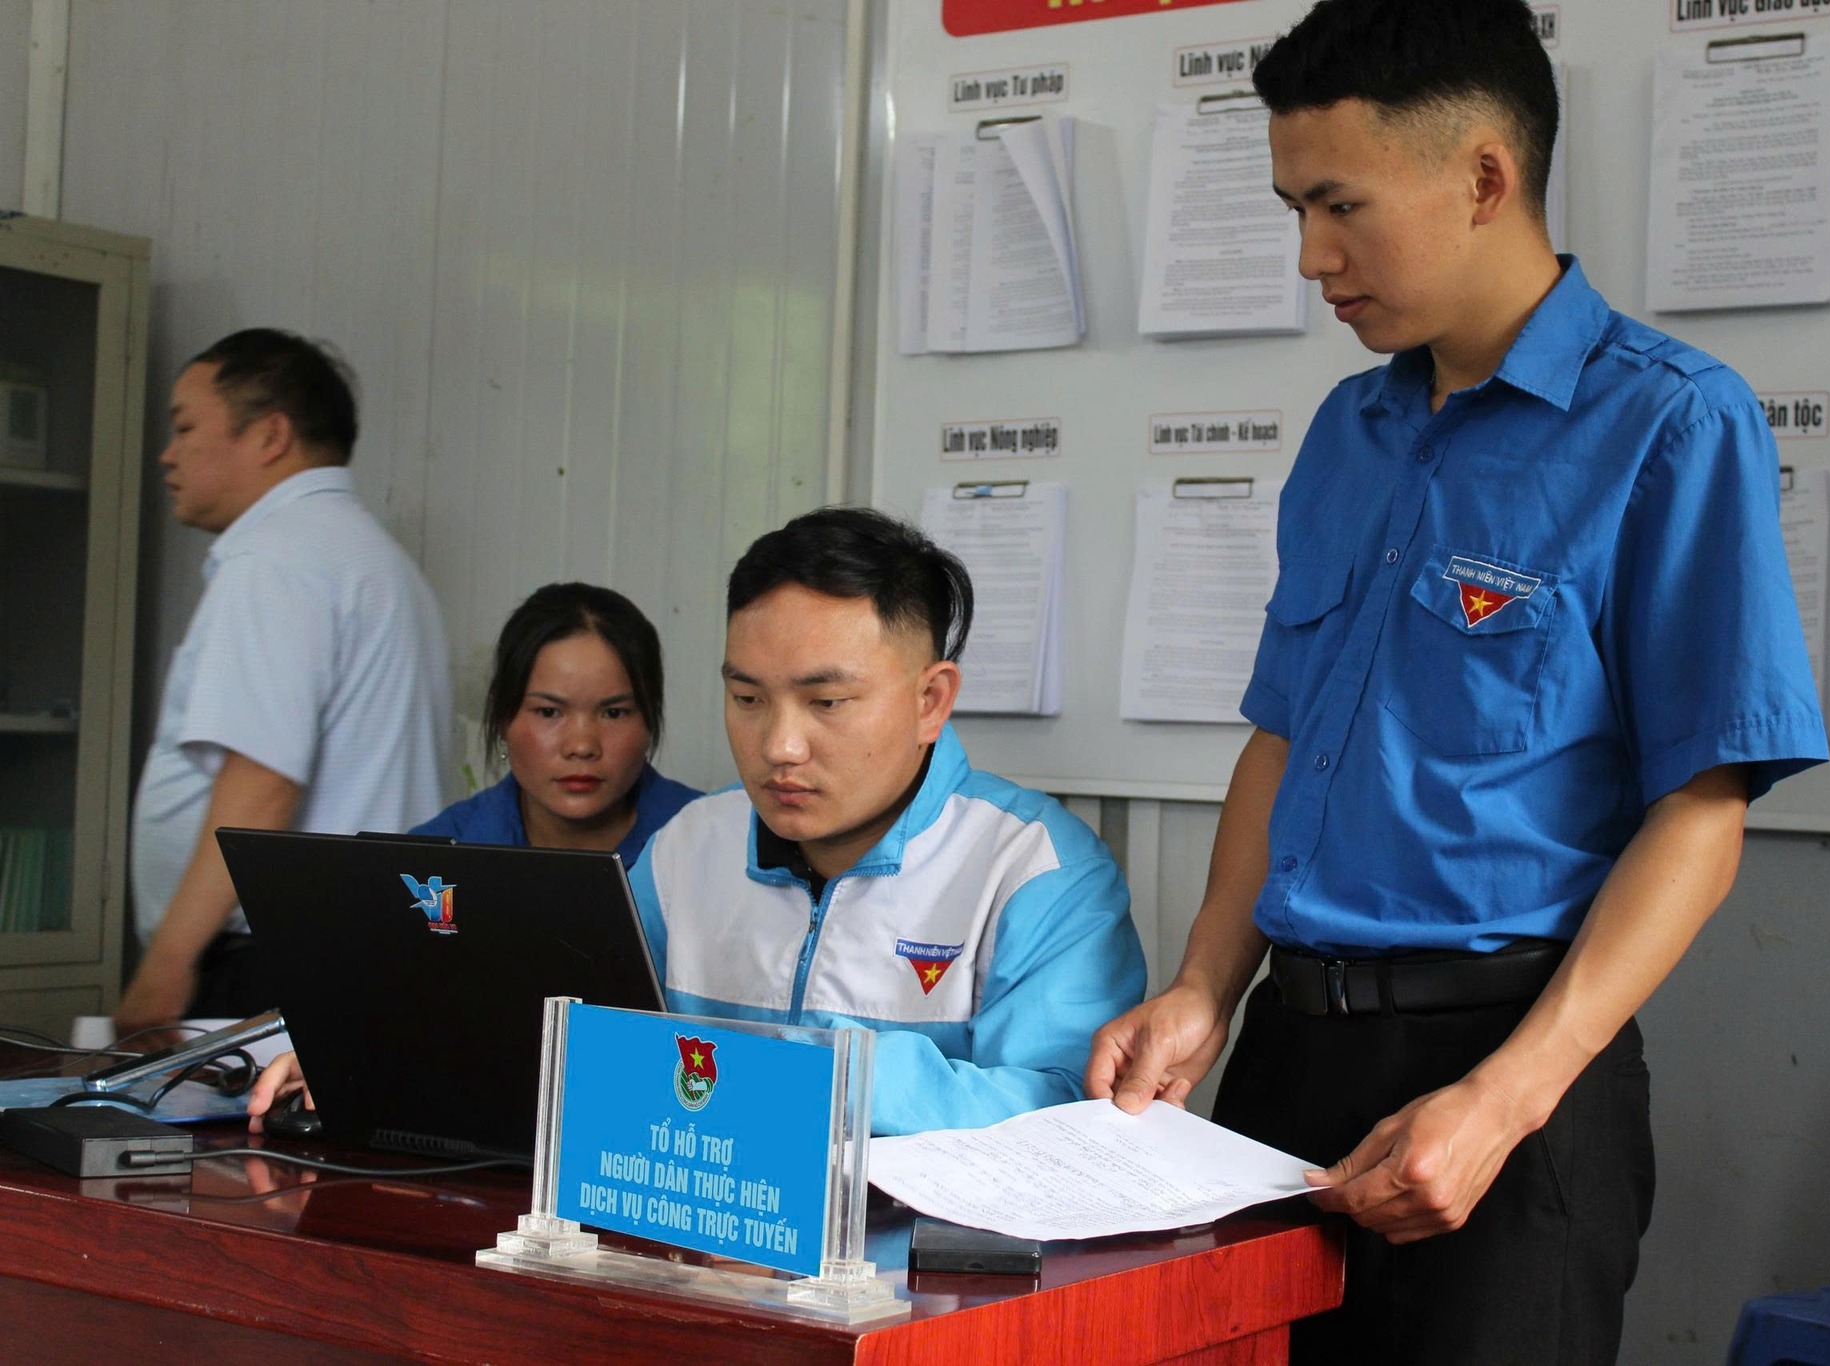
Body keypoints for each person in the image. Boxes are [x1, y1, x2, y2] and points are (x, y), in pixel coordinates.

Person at [1083, 3, 1829, 1363]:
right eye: (1292, 210)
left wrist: (1502, 1100)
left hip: (1508, 1072)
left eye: (1340, 206)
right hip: (1286, 1057)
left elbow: (1703, 807)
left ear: (1484, 176)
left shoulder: (1667, 419)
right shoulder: (1349, 427)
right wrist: (1203, 985)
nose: (1311, 258)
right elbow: (1281, 738)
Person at [631, 506, 1148, 1136]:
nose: (779, 747)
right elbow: (591, 1054)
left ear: (931, 701)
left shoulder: (1033, 868)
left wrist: (826, 1077)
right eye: (747, 699)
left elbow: (1067, 1111)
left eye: (827, 702)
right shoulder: (684, 849)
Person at [120, 329, 451, 1036]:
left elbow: (261, 782)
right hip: (363, 947)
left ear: (271, 436)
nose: (168, 454)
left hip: (269, 961)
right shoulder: (374, 559)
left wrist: (165, 966)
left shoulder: (276, 559)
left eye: (185, 427)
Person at [412, 582, 700, 866]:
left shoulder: (711, 842)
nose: (582, 746)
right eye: (549, 712)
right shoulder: (430, 860)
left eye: (614, 713)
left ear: (650, 716)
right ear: (502, 717)